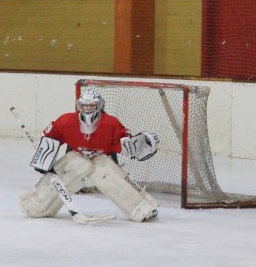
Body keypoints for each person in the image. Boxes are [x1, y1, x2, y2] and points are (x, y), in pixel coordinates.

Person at [20, 89, 161, 222]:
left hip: (103, 158)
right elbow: (51, 134)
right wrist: (44, 158)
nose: (88, 108)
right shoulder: (67, 121)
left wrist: (136, 147)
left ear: (99, 106)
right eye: (85, 105)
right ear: (79, 106)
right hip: (75, 156)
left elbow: (123, 143)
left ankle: (141, 207)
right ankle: (36, 204)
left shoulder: (110, 123)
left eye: (92, 105)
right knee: (77, 165)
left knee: (104, 171)